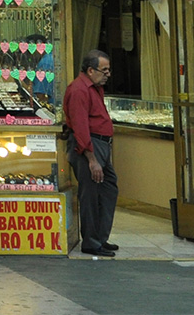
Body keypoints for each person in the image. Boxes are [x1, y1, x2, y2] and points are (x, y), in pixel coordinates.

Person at [63, 49, 119, 257]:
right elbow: (80, 126)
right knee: (90, 194)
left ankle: (100, 237)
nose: (108, 74)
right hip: (89, 147)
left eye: (108, 70)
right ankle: (91, 241)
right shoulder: (79, 90)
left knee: (108, 189)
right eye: (104, 70)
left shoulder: (95, 88)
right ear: (90, 70)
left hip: (100, 145)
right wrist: (92, 159)